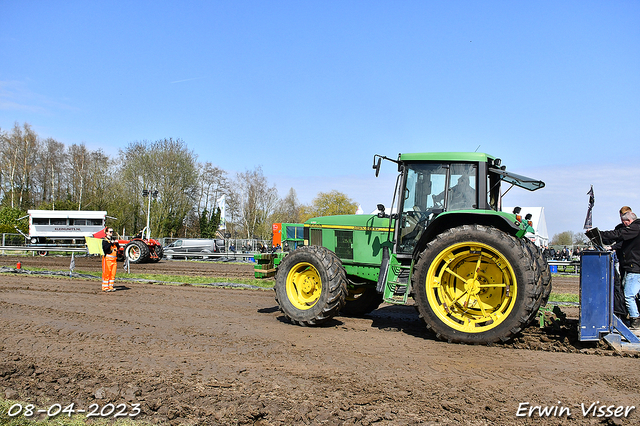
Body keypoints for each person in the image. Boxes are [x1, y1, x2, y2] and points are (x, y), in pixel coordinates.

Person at [598, 210, 640, 329]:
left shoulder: (635, 228)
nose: (623, 225)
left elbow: (619, 234)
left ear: (629, 221)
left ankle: (635, 319)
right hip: (632, 266)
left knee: (628, 295)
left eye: (624, 222)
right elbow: (622, 243)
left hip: (635, 267)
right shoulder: (635, 231)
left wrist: (599, 234)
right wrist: (612, 247)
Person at [101, 227, 119, 292]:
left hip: (114, 260)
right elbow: (105, 248)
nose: (111, 233)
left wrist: (116, 243)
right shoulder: (104, 240)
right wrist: (111, 243)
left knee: (113, 274)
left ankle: (110, 286)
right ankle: (105, 287)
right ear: (106, 233)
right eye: (110, 232)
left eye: (112, 231)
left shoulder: (113, 239)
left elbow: (118, 248)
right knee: (106, 273)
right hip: (107, 259)